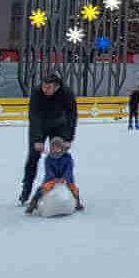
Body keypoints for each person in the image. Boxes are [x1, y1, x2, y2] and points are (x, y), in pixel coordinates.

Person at [23, 72, 79, 205]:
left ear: (57, 87)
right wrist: (37, 139)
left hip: (59, 126)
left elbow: (72, 116)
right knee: (33, 156)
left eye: (48, 88)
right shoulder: (37, 93)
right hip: (40, 125)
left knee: (59, 158)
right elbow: (34, 116)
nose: (45, 90)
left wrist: (67, 138)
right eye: (44, 87)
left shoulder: (66, 93)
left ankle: (65, 194)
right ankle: (26, 190)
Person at [24, 137, 84, 214]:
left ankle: (77, 204)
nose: (55, 150)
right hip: (51, 179)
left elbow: (69, 169)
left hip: (66, 179)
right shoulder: (48, 159)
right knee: (41, 190)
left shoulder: (68, 157)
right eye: (53, 148)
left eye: (57, 148)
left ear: (61, 148)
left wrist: (64, 178)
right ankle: (33, 204)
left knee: (74, 190)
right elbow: (49, 171)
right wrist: (53, 179)